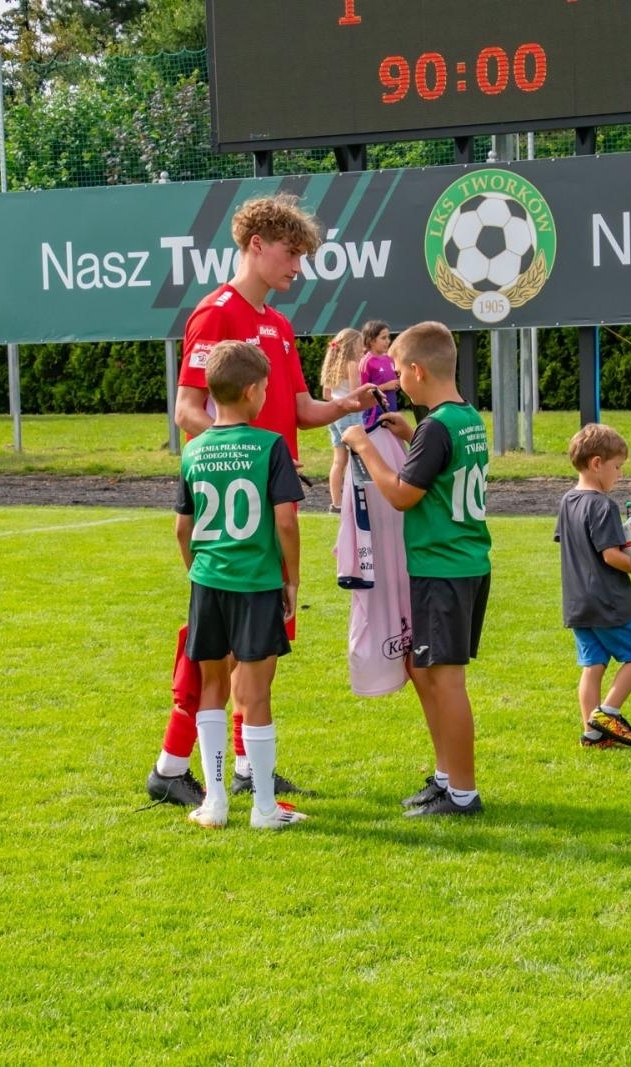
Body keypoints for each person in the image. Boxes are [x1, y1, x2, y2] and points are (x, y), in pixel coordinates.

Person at [145, 193, 368, 808]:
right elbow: (189, 409)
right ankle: (171, 762)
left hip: (277, 501)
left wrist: (348, 405)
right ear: (255, 246)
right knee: (213, 640)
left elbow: (299, 409)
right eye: (292, 253)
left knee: (261, 638)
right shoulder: (215, 314)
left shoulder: (280, 325)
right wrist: (242, 452)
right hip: (242, 503)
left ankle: (246, 768)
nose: (299, 266)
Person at [343, 321, 490, 817]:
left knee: (445, 681)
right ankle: (447, 778)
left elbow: (405, 495)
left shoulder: (437, 427)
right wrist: (411, 438)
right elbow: (441, 474)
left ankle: (463, 794)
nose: (396, 382)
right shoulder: (464, 417)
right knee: (426, 672)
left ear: (416, 371)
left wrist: (364, 449)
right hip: (461, 563)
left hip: (443, 568)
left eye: (399, 372)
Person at [174, 341, 308, 830]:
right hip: (255, 583)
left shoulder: (194, 450)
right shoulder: (270, 446)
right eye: (266, 388)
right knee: (255, 695)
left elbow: (182, 529)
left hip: (207, 582)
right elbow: (286, 524)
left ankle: (214, 803)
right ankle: (265, 808)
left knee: (212, 687)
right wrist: (290, 579)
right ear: (252, 392)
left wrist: (198, 570)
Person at [554, 423, 631, 750]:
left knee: (593, 665)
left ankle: (592, 735)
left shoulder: (568, 501)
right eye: (617, 467)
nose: (619, 475)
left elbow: (573, 544)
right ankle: (608, 712)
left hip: (577, 602)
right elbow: (610, 555)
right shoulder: (603, 505)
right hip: (608, 601)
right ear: (596, 464)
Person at [320, 328, 364, 511]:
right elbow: (356, 393)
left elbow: (326, 394)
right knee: (357, 458)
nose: (362, 349)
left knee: (339, 460)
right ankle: (354, 501)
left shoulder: (331, 364)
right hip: (350, 415)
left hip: (334, 413)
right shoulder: (352, 364)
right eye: (360, 344)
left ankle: (336, 503)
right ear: (353, 345)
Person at [358, 320, 400, 423]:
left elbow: (393, 384)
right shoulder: (366, 362)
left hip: (392, 411)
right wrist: (386, 386)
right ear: (371, 341)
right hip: (374, 417)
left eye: (388, 337)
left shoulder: (389, 359)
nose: (388, 341)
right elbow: (361, 394)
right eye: (383, 338)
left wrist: (398, 384)